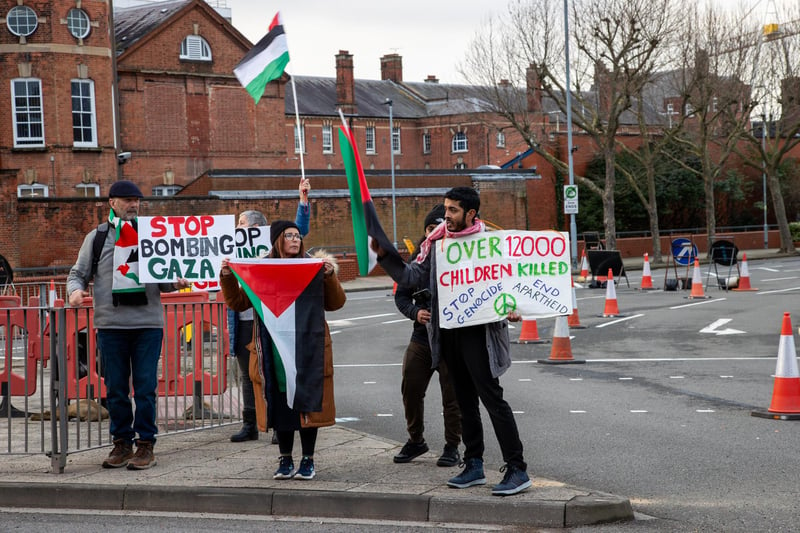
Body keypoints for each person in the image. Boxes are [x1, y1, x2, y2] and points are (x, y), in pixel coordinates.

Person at [372, 186, 531, 496]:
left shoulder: (490, 244)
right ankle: (473, 464)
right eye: (446, 209)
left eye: (453, 210)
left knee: (492, 399)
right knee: (464, 400)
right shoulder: (437, 244)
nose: (446, 215)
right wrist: (384, 255)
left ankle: (517, 468)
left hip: (480, 333)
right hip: (448, 333)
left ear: (471, 213)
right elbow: (411, 276)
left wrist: (514, 306)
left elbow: (512, 281)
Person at [66, 180, 190, 470]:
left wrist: (176, 282)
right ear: (112, 203)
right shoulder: (96, 238)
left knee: (145, 387)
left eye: (137, 200)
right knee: (116, 388)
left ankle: (146, 444)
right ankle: (121, 443)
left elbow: (164, 280)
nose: (133, 204)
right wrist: (74, 291)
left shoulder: (151, 235)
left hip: (147, 323)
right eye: (127, 200)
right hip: (111, 325)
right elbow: (78, 273)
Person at [220, 220, 345, 480]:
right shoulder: (262, 269)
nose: (295, 239)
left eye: (298, 235)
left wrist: (329, 276)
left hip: (308, 347)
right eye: (289, 235)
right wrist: (228, 277)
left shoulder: (313, 267)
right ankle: (285, 459)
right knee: (281, 404)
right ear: (277, 240)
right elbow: (238, 302)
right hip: (273, 348)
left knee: (309, 404)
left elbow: (336, 303)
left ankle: (308, 459)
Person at [229, 179, 311, 444]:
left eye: (241, 225)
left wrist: (303, 201)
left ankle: (279, 424)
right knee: (247, 373)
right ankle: (249, 422)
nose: (237, 230)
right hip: (242, 320)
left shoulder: (270, 246)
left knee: (274, 371)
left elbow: (300, 230)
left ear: (256, 228)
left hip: (269, 319)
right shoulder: (233, 247)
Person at [393, 204, 461, 467]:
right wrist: (415, 312)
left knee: (451, 396)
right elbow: (401, 296)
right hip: (422, 338)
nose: (435, 235)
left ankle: (452, 446)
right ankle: (416, 440)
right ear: (425, 231)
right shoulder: (416, 259)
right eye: (431, 230)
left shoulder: (460, 256)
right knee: (410, 387)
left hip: (452, 339)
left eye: (440, 230)